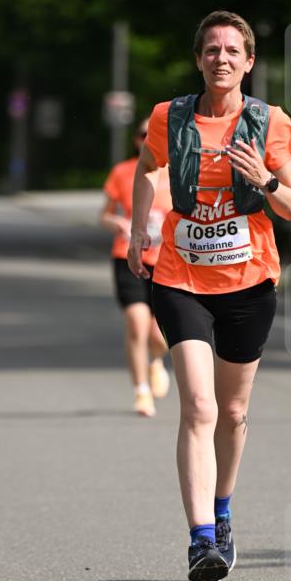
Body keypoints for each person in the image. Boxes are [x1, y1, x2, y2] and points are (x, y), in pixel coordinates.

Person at [128, 10, 291, 581]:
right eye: (211, 50)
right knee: (199, 407)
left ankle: (223, 511)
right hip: (180, 277)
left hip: (249, 282)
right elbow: (148, 167)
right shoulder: (169, 116)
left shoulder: (270, 122)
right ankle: (201, 539)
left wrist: (266, 181)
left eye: (232, 51)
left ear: (248, 62)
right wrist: (138, 231)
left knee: (232, 413)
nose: (221, 58)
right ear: (198, 59)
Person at [100, 118, 172, 417]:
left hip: (168, 261)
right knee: (136, 324)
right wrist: (118, 222)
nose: (147, 138)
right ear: (136, 140)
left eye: (154, 134)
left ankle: (155, 359)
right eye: (143, 134)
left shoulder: (180, 172)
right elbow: (104, 214)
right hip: (128, 256)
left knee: (159, 335)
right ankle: (141, 392)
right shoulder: (123, 172)